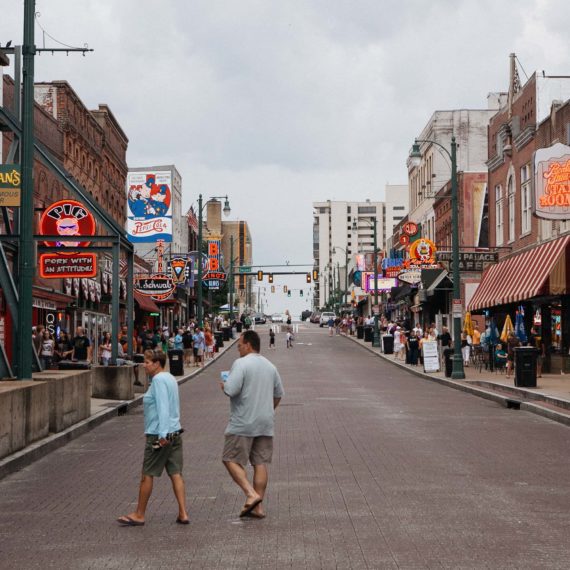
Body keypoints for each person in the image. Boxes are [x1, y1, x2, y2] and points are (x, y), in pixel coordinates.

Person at [117, 349, 188, 526]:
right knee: (176, 473)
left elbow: (163, 406)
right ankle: (183, 512)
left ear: (157, 364)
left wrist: (162, 434)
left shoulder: (158, 380)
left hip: (159, 434)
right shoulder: (170, 378)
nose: (144, 365)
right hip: (174, 432)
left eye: (147, 362)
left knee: (147, 474)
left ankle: (139, 514)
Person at [220, 331, 284, 519]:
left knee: (229, 459)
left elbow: (232, 390)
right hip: (265, 421)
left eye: (239, 345)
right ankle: (258, 507)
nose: (238, 349)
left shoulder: (241, 364)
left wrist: (224, 386)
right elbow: (279, 393)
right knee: (260, 463)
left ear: (248, 345)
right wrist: (269, 410)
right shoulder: (270, 366)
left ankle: (251, 494)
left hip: (243, 421)